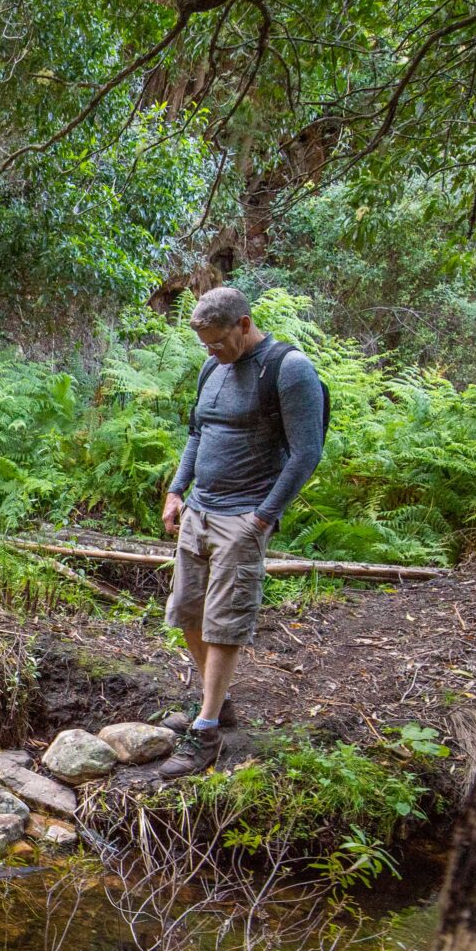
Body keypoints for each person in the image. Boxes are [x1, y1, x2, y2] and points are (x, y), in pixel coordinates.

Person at [158, 286, 324, 764]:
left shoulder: (289, 370)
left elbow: (305, 453)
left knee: (223, 621)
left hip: (243, 515)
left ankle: (206, 730)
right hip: (200, 509)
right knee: (187, 612)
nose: (210, 352)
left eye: (218, 341)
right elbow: (198, 431)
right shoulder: (214, 366)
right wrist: (176, 489)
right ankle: (220, 704)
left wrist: (262, 517)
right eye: (204, 345)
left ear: (245, 324)